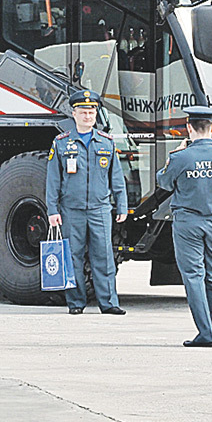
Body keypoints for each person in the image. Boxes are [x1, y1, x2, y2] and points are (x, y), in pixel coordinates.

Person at [156, 105, 212, 348]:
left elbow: (164, 182)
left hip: (188, 223)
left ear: (189, 128)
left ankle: (206, 333)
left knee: (194, 275)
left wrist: (176, 154)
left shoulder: (180, 157)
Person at [46, 90, 129, 316]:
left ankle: (109, 302)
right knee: (73, 256)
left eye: (91, 112)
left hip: (100, 209)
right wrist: (52, 210)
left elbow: (116, 177)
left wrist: (121, 205)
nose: (88, 116)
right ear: (74, 114)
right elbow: (53, 179)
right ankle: (75, 302)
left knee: (103, 256)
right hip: (71, 210)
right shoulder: (61, 143)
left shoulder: (106, 142)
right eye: (83, 112)